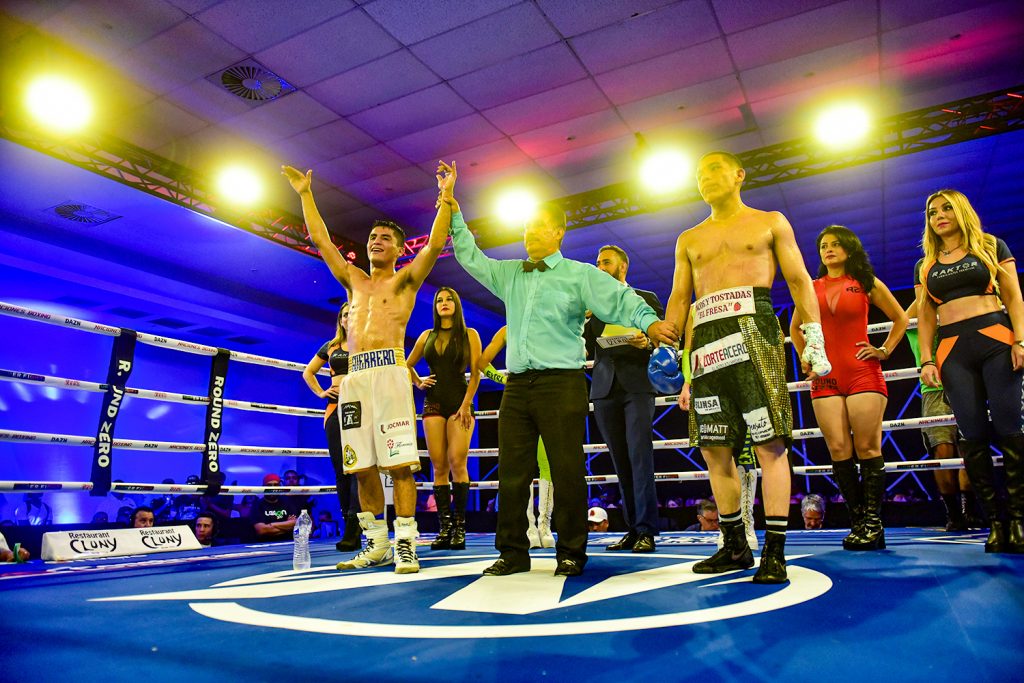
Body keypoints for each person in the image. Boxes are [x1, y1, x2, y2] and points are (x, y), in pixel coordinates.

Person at [444, 163, 677, 578]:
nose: (529, 233)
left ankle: (571, 551)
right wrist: (453, 209)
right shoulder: (510, 272)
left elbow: (620, 300)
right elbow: (469, 256)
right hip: (517, 386)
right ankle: (512, 552)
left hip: (561, 382)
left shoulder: (579, 275)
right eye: (526, 227)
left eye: (539, 227)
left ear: (558, 233)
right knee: (512, 473)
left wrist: (649, 322)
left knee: (567, 470)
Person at [284, 159, 455, 574]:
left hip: (391, 373)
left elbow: (434, 244)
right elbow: (322, 242)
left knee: (399, 465)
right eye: (372, 237)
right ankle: (376, 543)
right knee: (360, 466)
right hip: (356, 378)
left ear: (399, 248)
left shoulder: (406, 281)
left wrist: (446, 197)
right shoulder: (354, 281)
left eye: (384, 238)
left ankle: (407, 543)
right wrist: (306, 195)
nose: (375, 241)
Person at [669, 150, 831, 584]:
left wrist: (813, 338)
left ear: (739, 175)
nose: (705, 179)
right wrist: (672, 350)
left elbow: (799, 280)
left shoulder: (770, 221)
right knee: (714, 448)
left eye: (714, 170)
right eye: (699, 174)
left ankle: (775, 550)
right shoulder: (688, 237)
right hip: (705, 340)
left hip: (755, 329)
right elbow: (681, 299)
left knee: (769, 443)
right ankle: (734, 546)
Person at [914, 189, 1024, 553]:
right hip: (953, 350)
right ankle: (996, 522)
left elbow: (1013, 295)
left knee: (1011, 427)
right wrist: (927, 359)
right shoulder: (926, 264)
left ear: (962, 210)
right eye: (932, 212)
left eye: (946, 208)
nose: (940, 215)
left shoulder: (991, 246)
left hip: (996, 338)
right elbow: (926, 315)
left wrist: (1020, 341)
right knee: (972, 434)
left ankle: (1019, 521)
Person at [791, 226, 907, 551]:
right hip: (826, 376)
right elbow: (794, 328)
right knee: (838, 450)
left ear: (849, 248)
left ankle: (873, 523)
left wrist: (883, 350)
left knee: (868, 448)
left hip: (862, 372)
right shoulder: (810, 288)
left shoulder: (866, 283)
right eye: (824, 245)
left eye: (835, 244)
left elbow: (899, 318)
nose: (828, 249)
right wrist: (807, 357)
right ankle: (860, 524)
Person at [583, 245, 664, 553]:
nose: (600, 267)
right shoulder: (592, 305)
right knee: (620, 460)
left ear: (622, 268)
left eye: (606, 262)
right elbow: (587, 349)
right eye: (598, 262)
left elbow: (664, 340)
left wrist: (647, 343)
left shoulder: (644, 299)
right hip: (604, 388)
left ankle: (646, 530)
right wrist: (582, 319)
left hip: (637, 385)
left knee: (639, 455)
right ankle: (632, 528)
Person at [407, 287, 482, 551]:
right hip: (433, 402)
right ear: (435, 307)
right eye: (439, 300)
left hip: (460, 402)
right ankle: (445, 528)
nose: (444, 303)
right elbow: (406, 364)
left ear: (457, 304)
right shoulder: (427, 335)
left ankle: (460, 527)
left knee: (457, 461)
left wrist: (466, 405)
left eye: (449, 299)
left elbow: (475, 374)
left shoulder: (469, 334)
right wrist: (418, 381)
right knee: (438, 466)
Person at [477, 325, 555, 549]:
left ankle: (544, 525)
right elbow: (482, 362)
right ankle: (529, 526)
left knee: (547, 462)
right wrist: (503, 380)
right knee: (524, 466)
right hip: (519, 397)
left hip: (547, 393)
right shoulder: (507, 329)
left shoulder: (544, 322)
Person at [905, 301, 977, 531]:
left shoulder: (955, 317)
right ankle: (954, 513)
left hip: (967, 386)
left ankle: (970, 511)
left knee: (970, 449)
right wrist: (926, 288)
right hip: (934, 391)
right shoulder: (918, 324)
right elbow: (904, 318)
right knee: (942, 451)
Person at [303, 303, 362, 552]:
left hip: (360, 408)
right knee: (341, 470)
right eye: (345, 314)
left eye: (352, 313)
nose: (349, 317)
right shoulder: (331, 346)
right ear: (341, 319)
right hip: (334, 409)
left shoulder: (367, 343)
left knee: (358, 468)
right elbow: (309, 372)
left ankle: (356, 527)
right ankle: (348, 524)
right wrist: (320, 392)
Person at [249, 473, 299, 542]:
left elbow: (295, 524)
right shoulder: (257, 505)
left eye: (276, 485)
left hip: (287, 543)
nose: (273, 488)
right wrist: (287, 526)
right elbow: (262, 530)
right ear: (263, 487)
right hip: (265, 545)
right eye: (269, 485)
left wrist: (271, 525)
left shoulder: (287, 502)